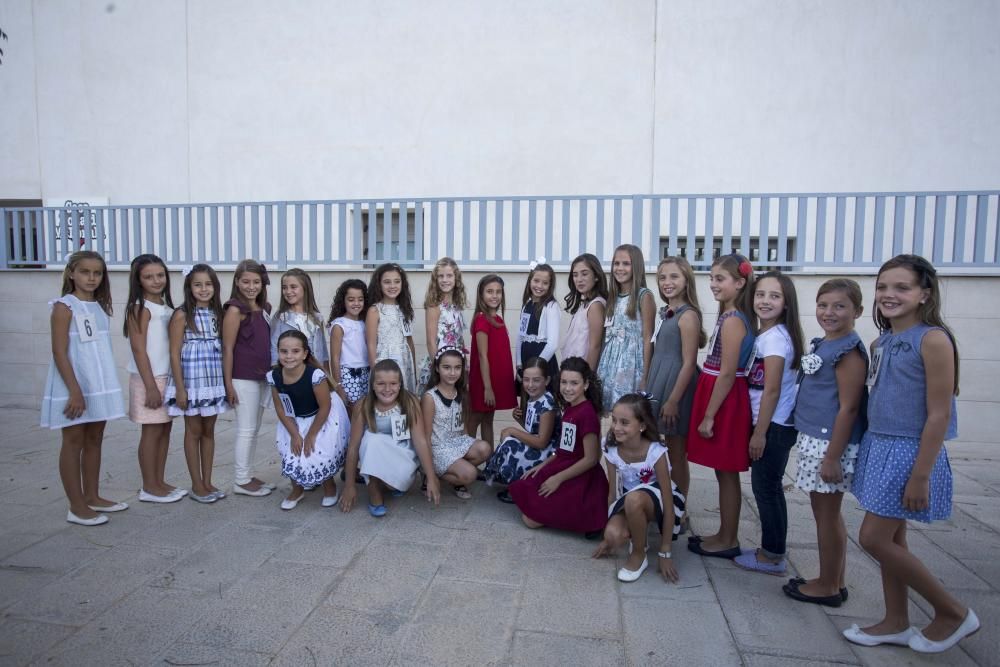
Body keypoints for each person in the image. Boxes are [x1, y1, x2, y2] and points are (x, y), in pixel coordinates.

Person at [841, 255, 979, 653]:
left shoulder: (932, 339)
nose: (889, 294)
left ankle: (952, 611)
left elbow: (939, 413)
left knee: (873, 537)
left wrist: (920, 474)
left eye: (901, 287)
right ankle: (896, 620)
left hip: (910, 453)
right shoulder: (880, 342)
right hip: (880, 446)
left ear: (924, 294)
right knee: (894, 540)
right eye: (883, 286)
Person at [783, 279, 867, 607]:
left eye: (839, 306)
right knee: (824, 514)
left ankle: (829, 585)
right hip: (816, 439)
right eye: (823, 305)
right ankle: (833, 577)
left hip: (829, 444)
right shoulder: (826, 343)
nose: (829, 312)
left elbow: (849, 407)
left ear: (857, 311)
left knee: (827, 515)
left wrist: (832, 458)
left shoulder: (848, 351)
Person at [41, 251, 126, 526]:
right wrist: (74, 391)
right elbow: (59, 351)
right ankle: (75, 506)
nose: (91, 278)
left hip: (97, 384)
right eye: (85, 272)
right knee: (73, 441)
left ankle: (92, 495)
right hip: (74, 385)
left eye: (97, 273)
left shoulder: (99, 305)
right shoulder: (64, 307)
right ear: (71, 273)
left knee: (95, 438)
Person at [686, 253, 756, 559]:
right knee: (721, 471)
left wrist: (710, 415)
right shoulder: (729, 316)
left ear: (740, 283)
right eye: (711, 277)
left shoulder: (733, 320)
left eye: (720, 279)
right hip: (719, 393)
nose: (713, 284)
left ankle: (729, 538)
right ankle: (724, 533)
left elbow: (727, 372)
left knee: (727, 472)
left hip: (725, 400)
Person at [734, 271, 804, 576]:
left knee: (767, 490)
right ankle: (770, 549)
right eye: (760, 294)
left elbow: (772, 389)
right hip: (769, 424)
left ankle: (773, 555)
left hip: (773, 426)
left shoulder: (775, 339)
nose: (765, 301)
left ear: (787, 303)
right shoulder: (767, 334)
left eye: (774, 296)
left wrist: (759, 433)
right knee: (767, 488)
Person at [509, 357, 608, 535]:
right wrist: (543, 465)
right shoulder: (570, 408)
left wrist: (558, 479)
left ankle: (577, 514)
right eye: (564, 382)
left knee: (530, 520)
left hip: (580, 475)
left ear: (585, 385)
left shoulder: (587, 414)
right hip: (562, 463)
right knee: (524, 487)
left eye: (574, 383)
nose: (567, 388)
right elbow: (564, 447)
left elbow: (592, 459)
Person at [592, 394, 683, 583]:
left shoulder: (656, 452)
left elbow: (667, 502)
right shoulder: (610, 448)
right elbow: (612, 492)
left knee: (634, 499)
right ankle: (639, 534)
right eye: (614, 420)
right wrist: (606, 534)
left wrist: (665, 551)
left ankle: (639, 555)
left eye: (625, 422)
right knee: (613, 535)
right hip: (630, 501)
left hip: (660, 501)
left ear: (642, 426)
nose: (617, 427)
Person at [339, 359, 441, 516]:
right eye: (381, 384)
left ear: (400, 384)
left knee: (394, 485)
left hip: (402, 454)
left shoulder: (409, 402)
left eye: (393, 383)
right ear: (372, 384)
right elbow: (353, 447)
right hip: (374, 452)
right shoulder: (364, 406)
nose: (387, 389)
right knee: (371, 439)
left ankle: (390, 483)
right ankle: (375, 494)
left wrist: (431, 477)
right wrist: (349, 486)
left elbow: (420, 441)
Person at [645, 256, 704, 529]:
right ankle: (661, 498)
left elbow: (689, 362)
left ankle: (680, 508)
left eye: (674, 277)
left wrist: (672, 400)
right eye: (662, 277)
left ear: (686, 280)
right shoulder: (666, 311)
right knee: (661, 449)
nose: (667, 282)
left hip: (675, 389)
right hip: (659, 381)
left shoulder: (688, 315)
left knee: (676, 450)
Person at [165, 264, 228, 503]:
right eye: (198, 284)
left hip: (212, 380)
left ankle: (208, 481)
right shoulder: (182, 314)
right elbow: (173, 352)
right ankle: (196, 484)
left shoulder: (217, 313)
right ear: (189, 287)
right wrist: (181, 388)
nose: (203, 289)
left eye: (208, 284)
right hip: (192, 381)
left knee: (209, 430)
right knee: (193, 431)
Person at [267, 331, 349, 510]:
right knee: (292, 451)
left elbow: (325, 407)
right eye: (284, 351)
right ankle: (297, 489)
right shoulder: (274, 376)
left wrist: (311, 434)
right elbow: (280, 407)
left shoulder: (314, 375)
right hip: (293, 419)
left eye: (295, 351)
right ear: (278, 352)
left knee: (318, 450)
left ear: (305, 354)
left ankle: (329, 487)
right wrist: (295, 434)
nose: (289, 356)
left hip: (320, 416)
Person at [123, 254, 180, 502]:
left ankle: (159, 480)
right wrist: (150, 387)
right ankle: (149, 486)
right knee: (151, 432)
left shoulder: (166, 307)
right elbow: (138, 349)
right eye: (148, 277)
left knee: (165, 430)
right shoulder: (140, 308)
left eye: (160, 275)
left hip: (167, 377)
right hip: (150, 379)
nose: (156, 281)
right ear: (138, 280)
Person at [222, 259, 274, 497]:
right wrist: (228, 383)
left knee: (254, 429)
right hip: (243, 378)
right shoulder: (234, 309)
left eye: (256, 282)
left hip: (262, 377)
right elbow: (228, 348)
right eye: (246, 282)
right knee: (245, 429)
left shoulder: (264, 308)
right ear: (237, 282)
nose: (251, 286)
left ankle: (248, 474)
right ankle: (240, 479)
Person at [483, 356, 559, 502]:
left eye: (536, 380)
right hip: (541, 445)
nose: (530, 385)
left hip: (550, 452)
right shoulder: (534, 397)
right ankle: (513, 482)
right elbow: (534, 430)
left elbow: (542, 441)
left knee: (511, 444)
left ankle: (519, 489)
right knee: (510, 441)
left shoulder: (547, 404)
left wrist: (514, 430)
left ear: (547, 381)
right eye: (526, 380)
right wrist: (520, 420)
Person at [421, 347, 492, 499]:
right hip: (438, 448)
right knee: (470, 474)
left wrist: (467, 443)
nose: (452, 373)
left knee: (485, 448)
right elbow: (425, 437)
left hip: (456, 442)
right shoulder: (430, 397)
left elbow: (462, 424)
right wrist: (429, 470)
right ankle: (431, 477)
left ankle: (455, 471)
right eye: (447, 367)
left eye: (457, 367)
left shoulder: (461, 392)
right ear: (437, 368)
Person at [596, 244, 656, 409]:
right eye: (616, 263)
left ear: (636, 267)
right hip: (609, 362)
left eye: (626, 264)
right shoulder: (613, 297)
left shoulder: (644, 296)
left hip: (630, 365)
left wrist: (645, 377)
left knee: (627, 411)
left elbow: (647, 338)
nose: (620, 268)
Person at [467, 274, 517, 446]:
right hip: (483, 381)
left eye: (498, 292)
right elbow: (482, 355)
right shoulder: (482, 320)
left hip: (493, 381)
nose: (494, 296)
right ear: (481, 295)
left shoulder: (498, 319)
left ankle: (490, 463)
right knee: (474, 419)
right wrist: (487, 388)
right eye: (489, 291)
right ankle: (467, 460)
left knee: (488, 420)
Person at [417, 257, 467, 393]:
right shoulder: (434, 306)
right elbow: (431, 341)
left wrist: (464, 364)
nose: (445, 280)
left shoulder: (457, 305)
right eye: (441, 276)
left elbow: (459, 338)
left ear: (456, 278)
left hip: (454, 367)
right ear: (435, 279)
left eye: (449, 275)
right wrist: (438, 370)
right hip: (439, 366)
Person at [366, 263, 417, 392]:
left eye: (397, 281)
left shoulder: (404, 309)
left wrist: (413, 368)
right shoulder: (374, 310)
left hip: (405, 360)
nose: (392, 286)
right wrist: (375, 372)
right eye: (387, 282)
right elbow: (371, 344)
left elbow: (409, 340)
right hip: (384, 360)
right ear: (379, 284)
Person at [270, 268, 328, 370]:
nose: (288, 291)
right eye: (284, 287)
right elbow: (274, 349)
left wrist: (328, 379)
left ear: (305, 288)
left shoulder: (317, 317)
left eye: (293, 287)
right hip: (289, 376)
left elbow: (323, 353)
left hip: (315, 375)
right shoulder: (280, 317)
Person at [516, 260, 560, 393]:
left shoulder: (551, 307)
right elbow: (520, 337)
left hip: (542, 361)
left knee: (543, 400)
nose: (539, 286)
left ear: (550, 285)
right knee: (526, 399)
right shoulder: (526, 305)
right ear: (530, 280)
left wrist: (537, 367)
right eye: (536, 281)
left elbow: (552, 344)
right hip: (526, 359)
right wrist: (519, 364)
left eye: (545, 283)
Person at [560, 253, 607, 371]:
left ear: (596, 276)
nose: (579, 279)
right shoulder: (584, 304)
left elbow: (595, 346)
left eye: (585, 274)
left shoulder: (595, 305)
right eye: (575, 275)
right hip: (573, 369)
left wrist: (588, 378)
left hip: (582, 372)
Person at [327, 278, 370, 408]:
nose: (356, 303)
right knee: (352, 411)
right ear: (343, 301)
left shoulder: (366, 322)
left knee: (365, 411)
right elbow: (335, 357)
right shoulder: (339, 325)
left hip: (367, 373)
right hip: (348, 376)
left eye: (360, 299)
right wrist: (338, 384)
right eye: (351, 300)